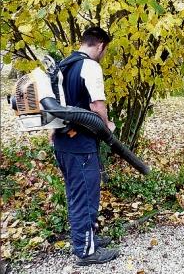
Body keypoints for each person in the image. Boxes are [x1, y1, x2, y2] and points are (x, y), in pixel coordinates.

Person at [53, 27, 119, 266]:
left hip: (62, 142)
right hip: (80, 144)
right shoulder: (90, 66)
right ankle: (86, 251)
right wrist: (107, 126)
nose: (104, 54)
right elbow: (96, 106)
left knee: (78, 194)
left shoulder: (64, 64)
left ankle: (87, 238)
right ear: (100, 45)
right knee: (85, 197)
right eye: (105, 50)